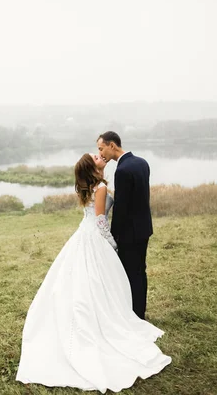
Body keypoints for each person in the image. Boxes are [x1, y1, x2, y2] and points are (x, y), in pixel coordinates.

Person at [16, 153, 171, 393]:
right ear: (93, 167)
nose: (100, 156)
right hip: (94, 237)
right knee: (95, 280)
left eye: (100, 153)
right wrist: (113, 244)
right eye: (96, 156)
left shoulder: (88, 186)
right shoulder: (99, 188)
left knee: (88, 280)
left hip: (83, 233)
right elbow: (100, 221)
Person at [97, 131, 152, 320]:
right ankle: (140, 311)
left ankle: (135, 316)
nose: (101, 153)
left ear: (112, 145)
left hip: (129, 233)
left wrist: (114, 236)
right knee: (140, 271)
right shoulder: (142, 162)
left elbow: (121, 208)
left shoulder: (122, 170)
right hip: (144, 228)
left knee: (129, 274)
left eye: (101, 148)